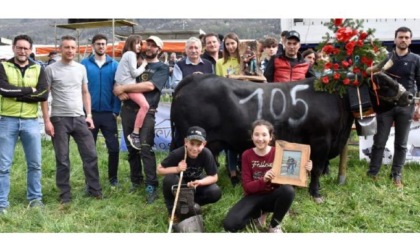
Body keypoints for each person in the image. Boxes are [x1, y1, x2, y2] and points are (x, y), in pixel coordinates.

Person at [41, 35, 103, 205]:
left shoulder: (81, 68)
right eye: (66, 47)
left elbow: (85, 92)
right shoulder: (50, 69)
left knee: (90, 154)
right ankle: (65, 195)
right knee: (62, 158)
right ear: (60, 49)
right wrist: (47, 120)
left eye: (72, 48)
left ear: (77, 49)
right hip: (59, 119)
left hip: (79, 117)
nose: (69, 50)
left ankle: (94, 190)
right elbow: (44, 96)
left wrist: (89, 115)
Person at [223, 119, 312, 233]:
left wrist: (305, 169)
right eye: (257, 134)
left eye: (264, 135)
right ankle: (259, 214)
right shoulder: (246, 155)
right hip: (253, 196)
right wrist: (263, 180)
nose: (260, 139)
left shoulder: (280, 152)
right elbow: (247, 187)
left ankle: (274, 225)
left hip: (273, 196)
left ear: (271, 137)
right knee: (230, 225)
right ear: (252, 136)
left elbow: (292, 177)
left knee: (288, 191)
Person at [113, 35, 169, 204]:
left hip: (147, 112)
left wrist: (123, 88)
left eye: (154, 46)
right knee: (132, 149)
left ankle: (151, 184)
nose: (149, 47)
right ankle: (135, 180)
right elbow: (120, 78)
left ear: (159, 50)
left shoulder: (162, 67)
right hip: (128, 110)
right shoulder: (135, 61)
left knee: (146, 149)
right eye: (148, 44)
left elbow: (149, 86)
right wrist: (117, 87)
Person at [0, 34, 49, 214]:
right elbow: (3, 90)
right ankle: (1, 203)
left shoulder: (38, 68)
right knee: (3, 166)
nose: (23, 51)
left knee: (35, 163)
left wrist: (16, 93)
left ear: (30, 50)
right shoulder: (3, 66)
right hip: (7, 120)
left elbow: (43, 94)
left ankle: (35, 199)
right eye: (19, 47)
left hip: (30, 122)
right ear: (13, 48)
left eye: (26, 48)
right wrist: (29, 90)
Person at [366, 26, 420, 188]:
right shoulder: (385, 58)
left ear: (410, 40)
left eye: (406, 37)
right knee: (379, 141)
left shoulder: (416, 59)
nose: (403, 40)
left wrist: (418, 106)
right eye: (400, 37)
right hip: (385, 106)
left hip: (406, 105)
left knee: (401, 143)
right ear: (395, 39)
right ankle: (373, 173)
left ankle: (396, 175)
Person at [81, 34, 121, 188]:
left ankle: (113, 178)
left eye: (103, 44)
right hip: (90, 114)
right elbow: (80, 89)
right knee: (89, 150)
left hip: (108, 114)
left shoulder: (114, 65)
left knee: (114, 148)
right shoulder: (84, 64)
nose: (101, 46)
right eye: (98, 44)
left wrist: (116, 111)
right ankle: (90, 181)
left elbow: (118, 89)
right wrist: (84, 111)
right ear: (93, 45)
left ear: (107, 46)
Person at [157, 126, 222, 220]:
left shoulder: (206, 153)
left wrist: (200, 182)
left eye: (198, 144)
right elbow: (159, 169)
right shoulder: (177, 153)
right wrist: (177, 169)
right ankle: (173, 211)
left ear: (204, 144)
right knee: (169, 179)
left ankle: (190, 205)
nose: (195, 148)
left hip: (195, 185)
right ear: (186, 142)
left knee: (215, 192)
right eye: (192, 143)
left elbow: (214, 177)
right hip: (179, 185)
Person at [215, 32, 242, 186]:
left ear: (238, 43)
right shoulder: (220, 62)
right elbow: (218, 84)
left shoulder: (244, 60)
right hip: (229, 105)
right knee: (232, 141)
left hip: (246, 104)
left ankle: (244, 169)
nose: (231, 46)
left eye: (233, 43)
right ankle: (232, 172)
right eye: (227, 44)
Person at [114, 35, 149, 150]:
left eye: (140, 44)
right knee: (145, 105)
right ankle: (135, 133)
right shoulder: (131, 54)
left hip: (124, 85)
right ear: (130, 43)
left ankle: (134, 133)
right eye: (137, 43)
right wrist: (144, 65)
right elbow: (134, 73)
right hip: (129, 86)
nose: (139, 46)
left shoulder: (126, 55)